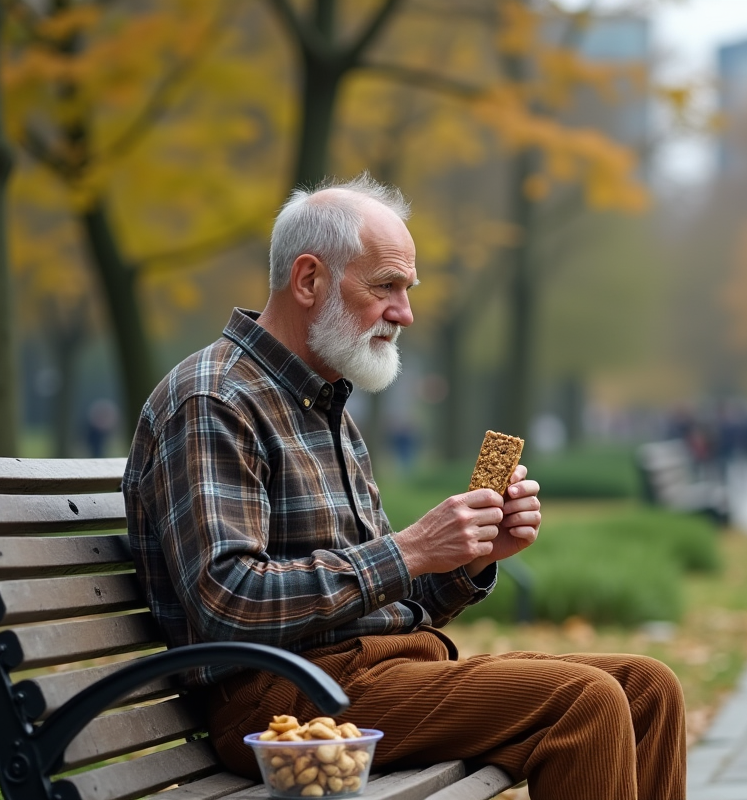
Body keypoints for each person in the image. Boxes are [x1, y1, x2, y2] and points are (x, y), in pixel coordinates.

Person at [122, 176, 685, 800]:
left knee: (648, 689)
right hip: (280, 701)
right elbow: (229, 603)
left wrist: (466, 558)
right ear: (309, 281)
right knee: (584, 704)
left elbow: (375, 598)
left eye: (406, 290)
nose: (405, 312)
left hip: (371, 672)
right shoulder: (216, 400)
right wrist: (411, 549)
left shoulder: (323, 400)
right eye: (385, 286)